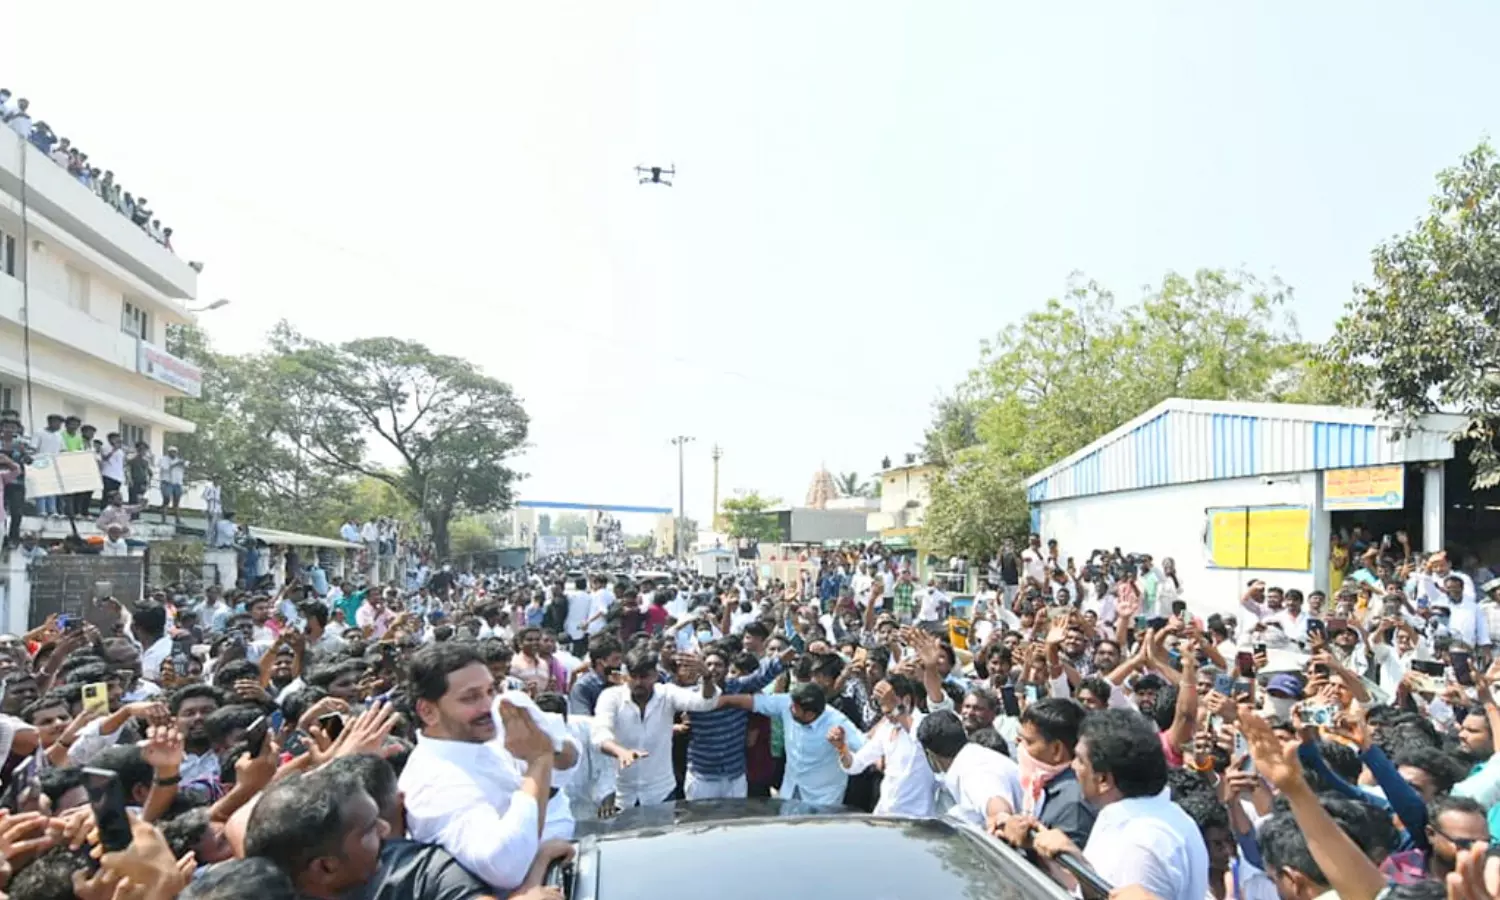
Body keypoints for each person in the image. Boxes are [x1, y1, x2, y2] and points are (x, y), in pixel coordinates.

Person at [398, 643, 574, 892]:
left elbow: (565, 766)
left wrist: (549, 744)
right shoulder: (433, 780)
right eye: (471, 698)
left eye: (491, 691)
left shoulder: (481, 740)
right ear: (428, 712)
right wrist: (539, 760)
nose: (488, 705)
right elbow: (506, 865)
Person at [1028, 709, 1208, 900]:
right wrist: (1058, 855)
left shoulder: (1142, 845)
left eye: (1080, 760)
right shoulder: (1140, 818)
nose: (1073, 766)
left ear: (1103, 780)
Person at [591, 646, 721, 809]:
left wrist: (707, 677)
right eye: (634, 676)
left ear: (655, 675)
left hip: (661, 793)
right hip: (621, 794)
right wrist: (621, 752)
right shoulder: (611, 697)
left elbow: (706, 702)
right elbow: (600, 734)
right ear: (626, 675)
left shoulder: (667, 694)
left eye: (644, 677)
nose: (638, 683)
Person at [917, 709, 1023, 830]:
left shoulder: (974, 772)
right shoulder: (973, 758)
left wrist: (1002, 825)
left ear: (930, 754)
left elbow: (999, 811)